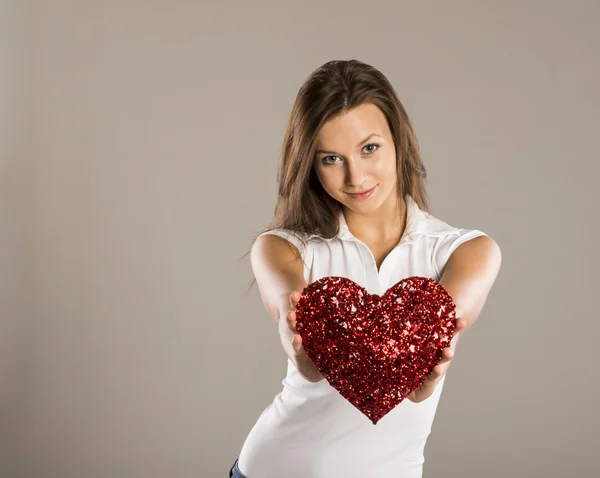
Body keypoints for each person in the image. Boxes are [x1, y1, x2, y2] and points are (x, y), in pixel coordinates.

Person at [230, 59, 502, 478]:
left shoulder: (467, 251)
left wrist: (420, 385)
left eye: (369, 148)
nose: (356, 176)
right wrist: (304, 357)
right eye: (331, 158)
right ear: (310, 163)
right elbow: (290, 318)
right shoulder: (282, 248)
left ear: (398, 140)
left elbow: (435, 337)